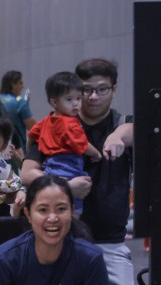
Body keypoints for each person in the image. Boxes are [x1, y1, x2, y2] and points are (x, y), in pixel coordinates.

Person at [22, 58, 134, 285]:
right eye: (85, 91)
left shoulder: (121, 123)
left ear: (114, 89)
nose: (93, 97)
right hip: (58, 243)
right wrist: (65, 188)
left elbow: (138, 128)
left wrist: (120, 135)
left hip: (108, 242)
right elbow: (28, 173)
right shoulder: (54, 124)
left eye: (102, 89)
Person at [26, 71, 102, 213]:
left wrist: (29, 148)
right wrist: (97, 153)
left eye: (78, 98)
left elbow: (31, 135)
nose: (76, 104)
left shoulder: (45, 121)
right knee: (74, 212)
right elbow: (82, 145)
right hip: (69, 169)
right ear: (54, 102)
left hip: (50, 168)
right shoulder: (70, 123)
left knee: (55, 208)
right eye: (69, 99)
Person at [0, 70, 36, 155]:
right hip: (17, 149)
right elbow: (33, 127)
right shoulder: (19, 102)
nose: (22, 86)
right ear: (13, 84)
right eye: (20, 83)